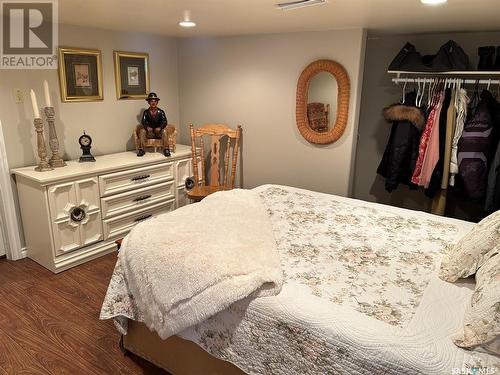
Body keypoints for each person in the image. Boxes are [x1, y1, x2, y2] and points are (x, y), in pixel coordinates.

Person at [137, 92, 171, 157]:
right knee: (142, 131)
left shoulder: (161, 112)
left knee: (164, 131)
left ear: (157, 102)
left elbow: (165, 122)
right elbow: (143, 121)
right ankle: (141, 149)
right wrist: (147, 127)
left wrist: (160, 128)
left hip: (159, 133)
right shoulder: (146, 112)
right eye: (151, 101)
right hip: (150, 133)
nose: (153, 102)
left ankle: (166, 149)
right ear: (149, 102)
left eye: (155, 101)